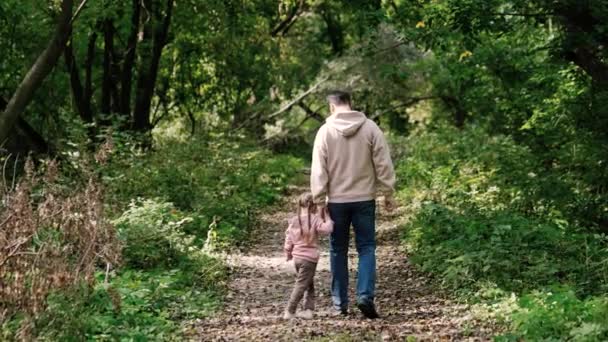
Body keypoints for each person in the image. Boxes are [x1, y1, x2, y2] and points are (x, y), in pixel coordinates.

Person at [310, 90, 396, 319]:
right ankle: (365, 295)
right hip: (365, 199)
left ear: (331, 107)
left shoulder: (325, 132)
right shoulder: (370, 128)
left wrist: (319, 200)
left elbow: (319, 169)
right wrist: (387, 191)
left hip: (337, 202)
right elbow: (383, 162)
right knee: (366, 248)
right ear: (350, 104)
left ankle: (340, 304)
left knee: (338, 250)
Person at [283, 192, 334, 320]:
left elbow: (288, 238)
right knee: (301, 285)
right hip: (309, 259)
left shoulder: (294, 220)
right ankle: (290, 310)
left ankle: (308, 310)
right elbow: (327, 229)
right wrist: (327, 217)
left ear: (300, 205)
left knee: (308, 284)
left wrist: (288, 253)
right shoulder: (315, 219)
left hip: (297, 259)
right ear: (314, 206)